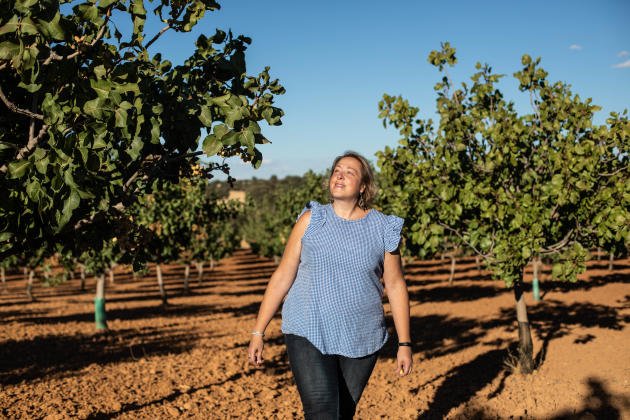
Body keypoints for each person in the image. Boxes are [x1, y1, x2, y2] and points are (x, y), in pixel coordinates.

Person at [247, 151, 412, 419]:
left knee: (342, 414)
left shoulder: (383, 227)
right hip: (308, 328)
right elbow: (283, 275)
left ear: (363, 187)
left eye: (350, 172)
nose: (340, 174)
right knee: (323, 412)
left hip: (362, 336)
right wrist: (258, 331)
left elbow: (395, 285)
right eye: (337, 169)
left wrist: (404, 343)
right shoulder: (312, 219)